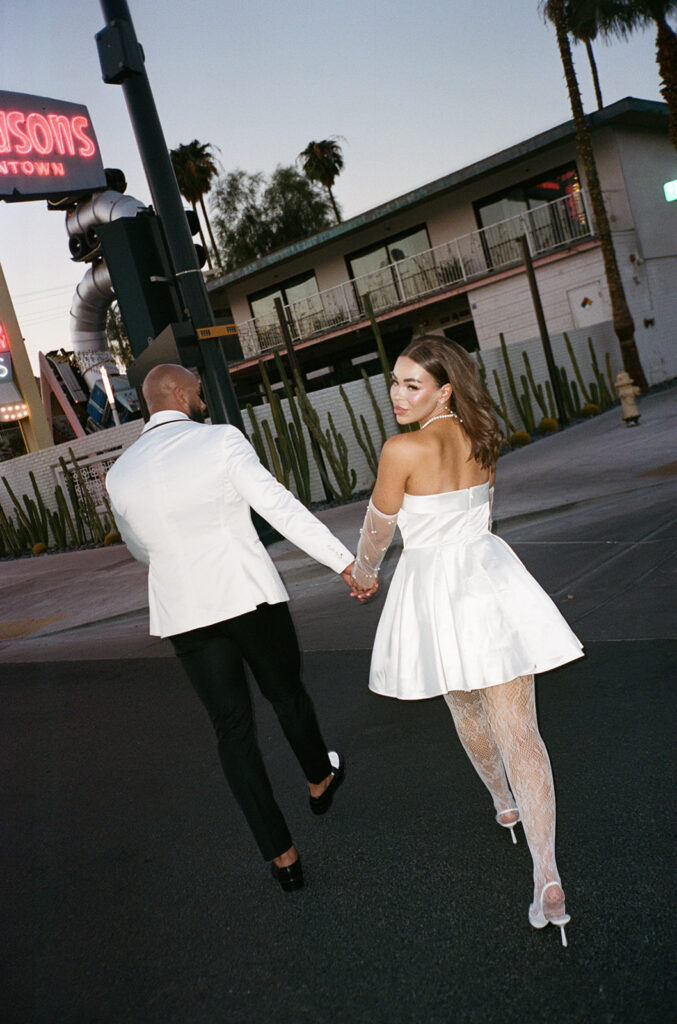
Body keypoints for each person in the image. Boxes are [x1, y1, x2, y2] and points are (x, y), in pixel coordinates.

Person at [349, 336, 583, 946]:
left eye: (412, 385)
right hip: (490, 579)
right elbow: (481, 509)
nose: (397, 395)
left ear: (443, 389)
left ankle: (502, 801)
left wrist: (365, 575)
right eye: (395, 382)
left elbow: (378, 530)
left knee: (464, 705)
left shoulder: (402, 448)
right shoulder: (483, 437)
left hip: (434, 591)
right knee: (522, 732)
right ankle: (547, 873)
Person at [106, 363, 359, 893]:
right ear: (178, 393)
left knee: (232, 731)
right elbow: (277, 506)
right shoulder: (220, 440)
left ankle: (283, 858)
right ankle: (318, 779)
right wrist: (343, 561)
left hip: (186, 614)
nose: (203, 398)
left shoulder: (120, 473)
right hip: (247, 596)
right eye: (197, 391)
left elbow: (138, 549)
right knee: (286, 695)